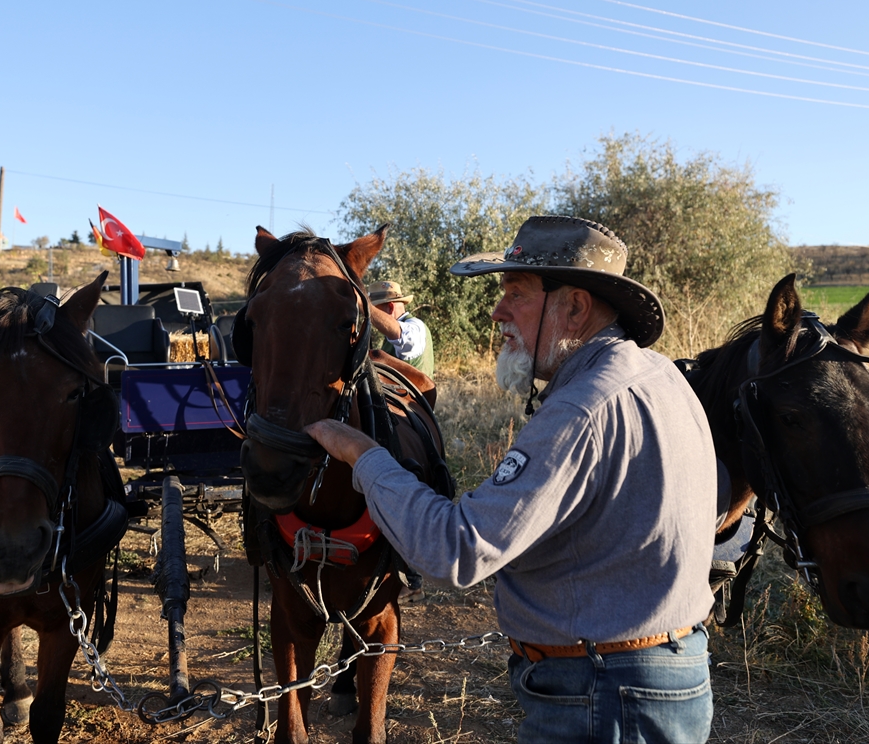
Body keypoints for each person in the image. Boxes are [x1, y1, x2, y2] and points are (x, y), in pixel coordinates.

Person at [307, 217, 717, 744]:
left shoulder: (581, 410)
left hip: (602, 695)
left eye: (515, 294)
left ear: (574, 306)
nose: (498, 312)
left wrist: (364, 456)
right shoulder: (663, 378)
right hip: (665, 676)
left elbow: (454, 549)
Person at [367, 280, 434, 377]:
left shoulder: (416, 326)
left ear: (390, 308)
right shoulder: (391, 336)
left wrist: (363, 305)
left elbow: (402, 335)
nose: (371, 318)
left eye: (375, 312)